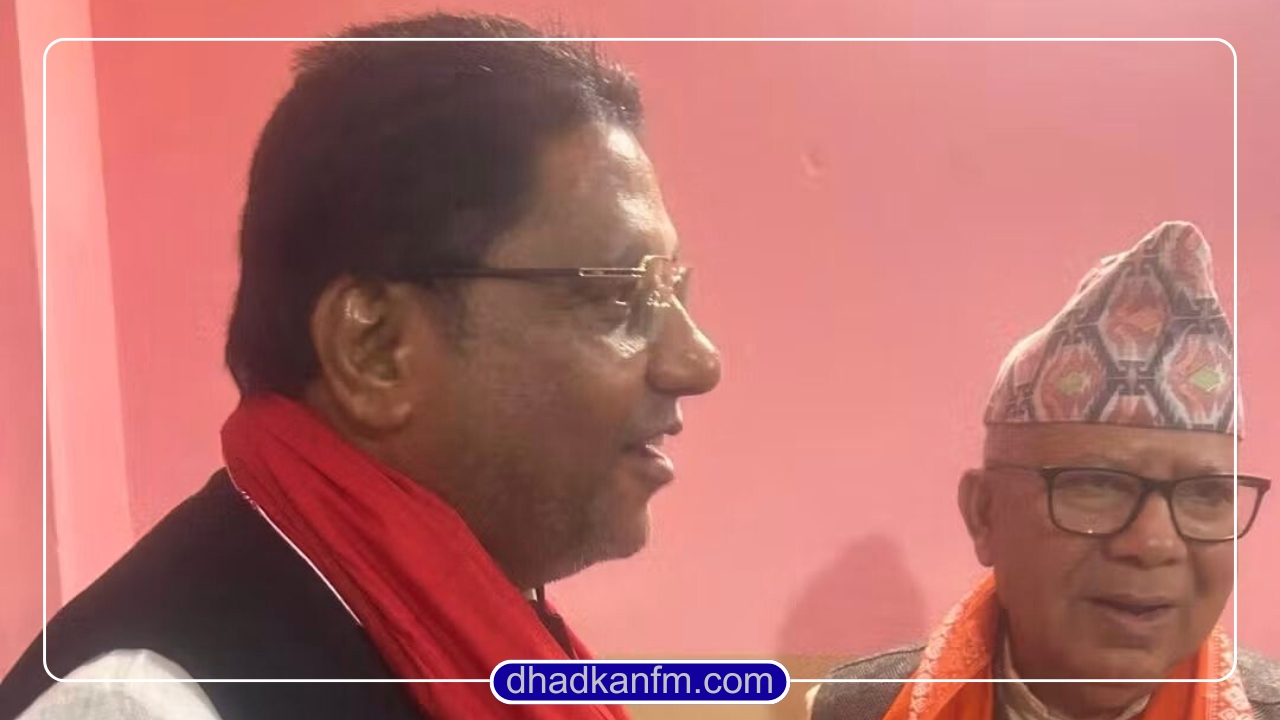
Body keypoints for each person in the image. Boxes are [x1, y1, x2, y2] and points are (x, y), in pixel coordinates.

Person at [0, 12, 721, 720]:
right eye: (622, 297)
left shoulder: (476, 629)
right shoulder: (141, 703)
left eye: (671, 290)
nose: (698, 362)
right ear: (375, 348)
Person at [810, 221, 1278, 720]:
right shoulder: (858, 709)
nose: (1154, 544)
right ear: (985, 514)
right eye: (1097, 485)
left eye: (1205, 494)